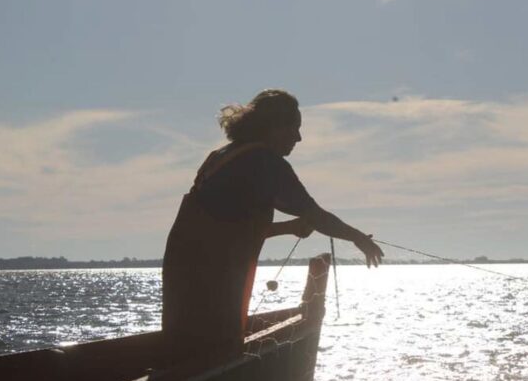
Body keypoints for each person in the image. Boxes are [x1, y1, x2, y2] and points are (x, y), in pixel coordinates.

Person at [161, 89, 383, 364]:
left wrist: (289, 227)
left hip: (181, 276)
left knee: (181, 352)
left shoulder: (219, 157)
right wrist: (359, 238)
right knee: (214, 354)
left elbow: (229, 227)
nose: (299, 138)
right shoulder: (265, 162)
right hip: (214, 281)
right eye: (295, 128)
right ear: (274, 127)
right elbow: (315, 214)